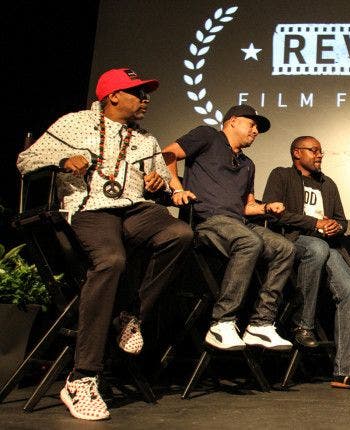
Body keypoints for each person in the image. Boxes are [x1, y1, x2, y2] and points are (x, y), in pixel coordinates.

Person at [16, 68, 193, 421]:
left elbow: (160, 184)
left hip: (134, 209)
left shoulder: (146, 139)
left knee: (181, 234)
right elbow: (25, 161)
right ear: (113, 96)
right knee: (111, 261)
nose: (145, 100)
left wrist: (157, 182)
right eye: (137, 93)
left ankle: (130, 314)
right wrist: (63, 161)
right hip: (91, 209)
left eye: (146, 94)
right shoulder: (75, 124)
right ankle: (82, 377)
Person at [162, 104, 294, 352]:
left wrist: (266, 207)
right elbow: (167, 154)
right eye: (252, 124)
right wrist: (177, 189)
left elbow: (247, 206)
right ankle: (221, 322)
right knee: (249, 241)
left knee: (284, 248)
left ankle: (261, 324)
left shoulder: (248, 164)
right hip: (207, 220)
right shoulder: (207, 136)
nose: (255, 131)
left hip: (237, 222)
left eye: (257, 128)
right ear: (233, 121)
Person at [262, 136, 350, 390]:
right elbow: (276, 214)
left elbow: (342, 220)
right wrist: (315, 223)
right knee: (316, 246)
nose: (319, 155)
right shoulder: (281, 175)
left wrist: (335, 227)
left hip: (328, 245)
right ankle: (303, 325)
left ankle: (346, 371)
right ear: (297, 153)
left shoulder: (328, 184)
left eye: (321, 151)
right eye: (313, 150)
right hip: (294, 241)